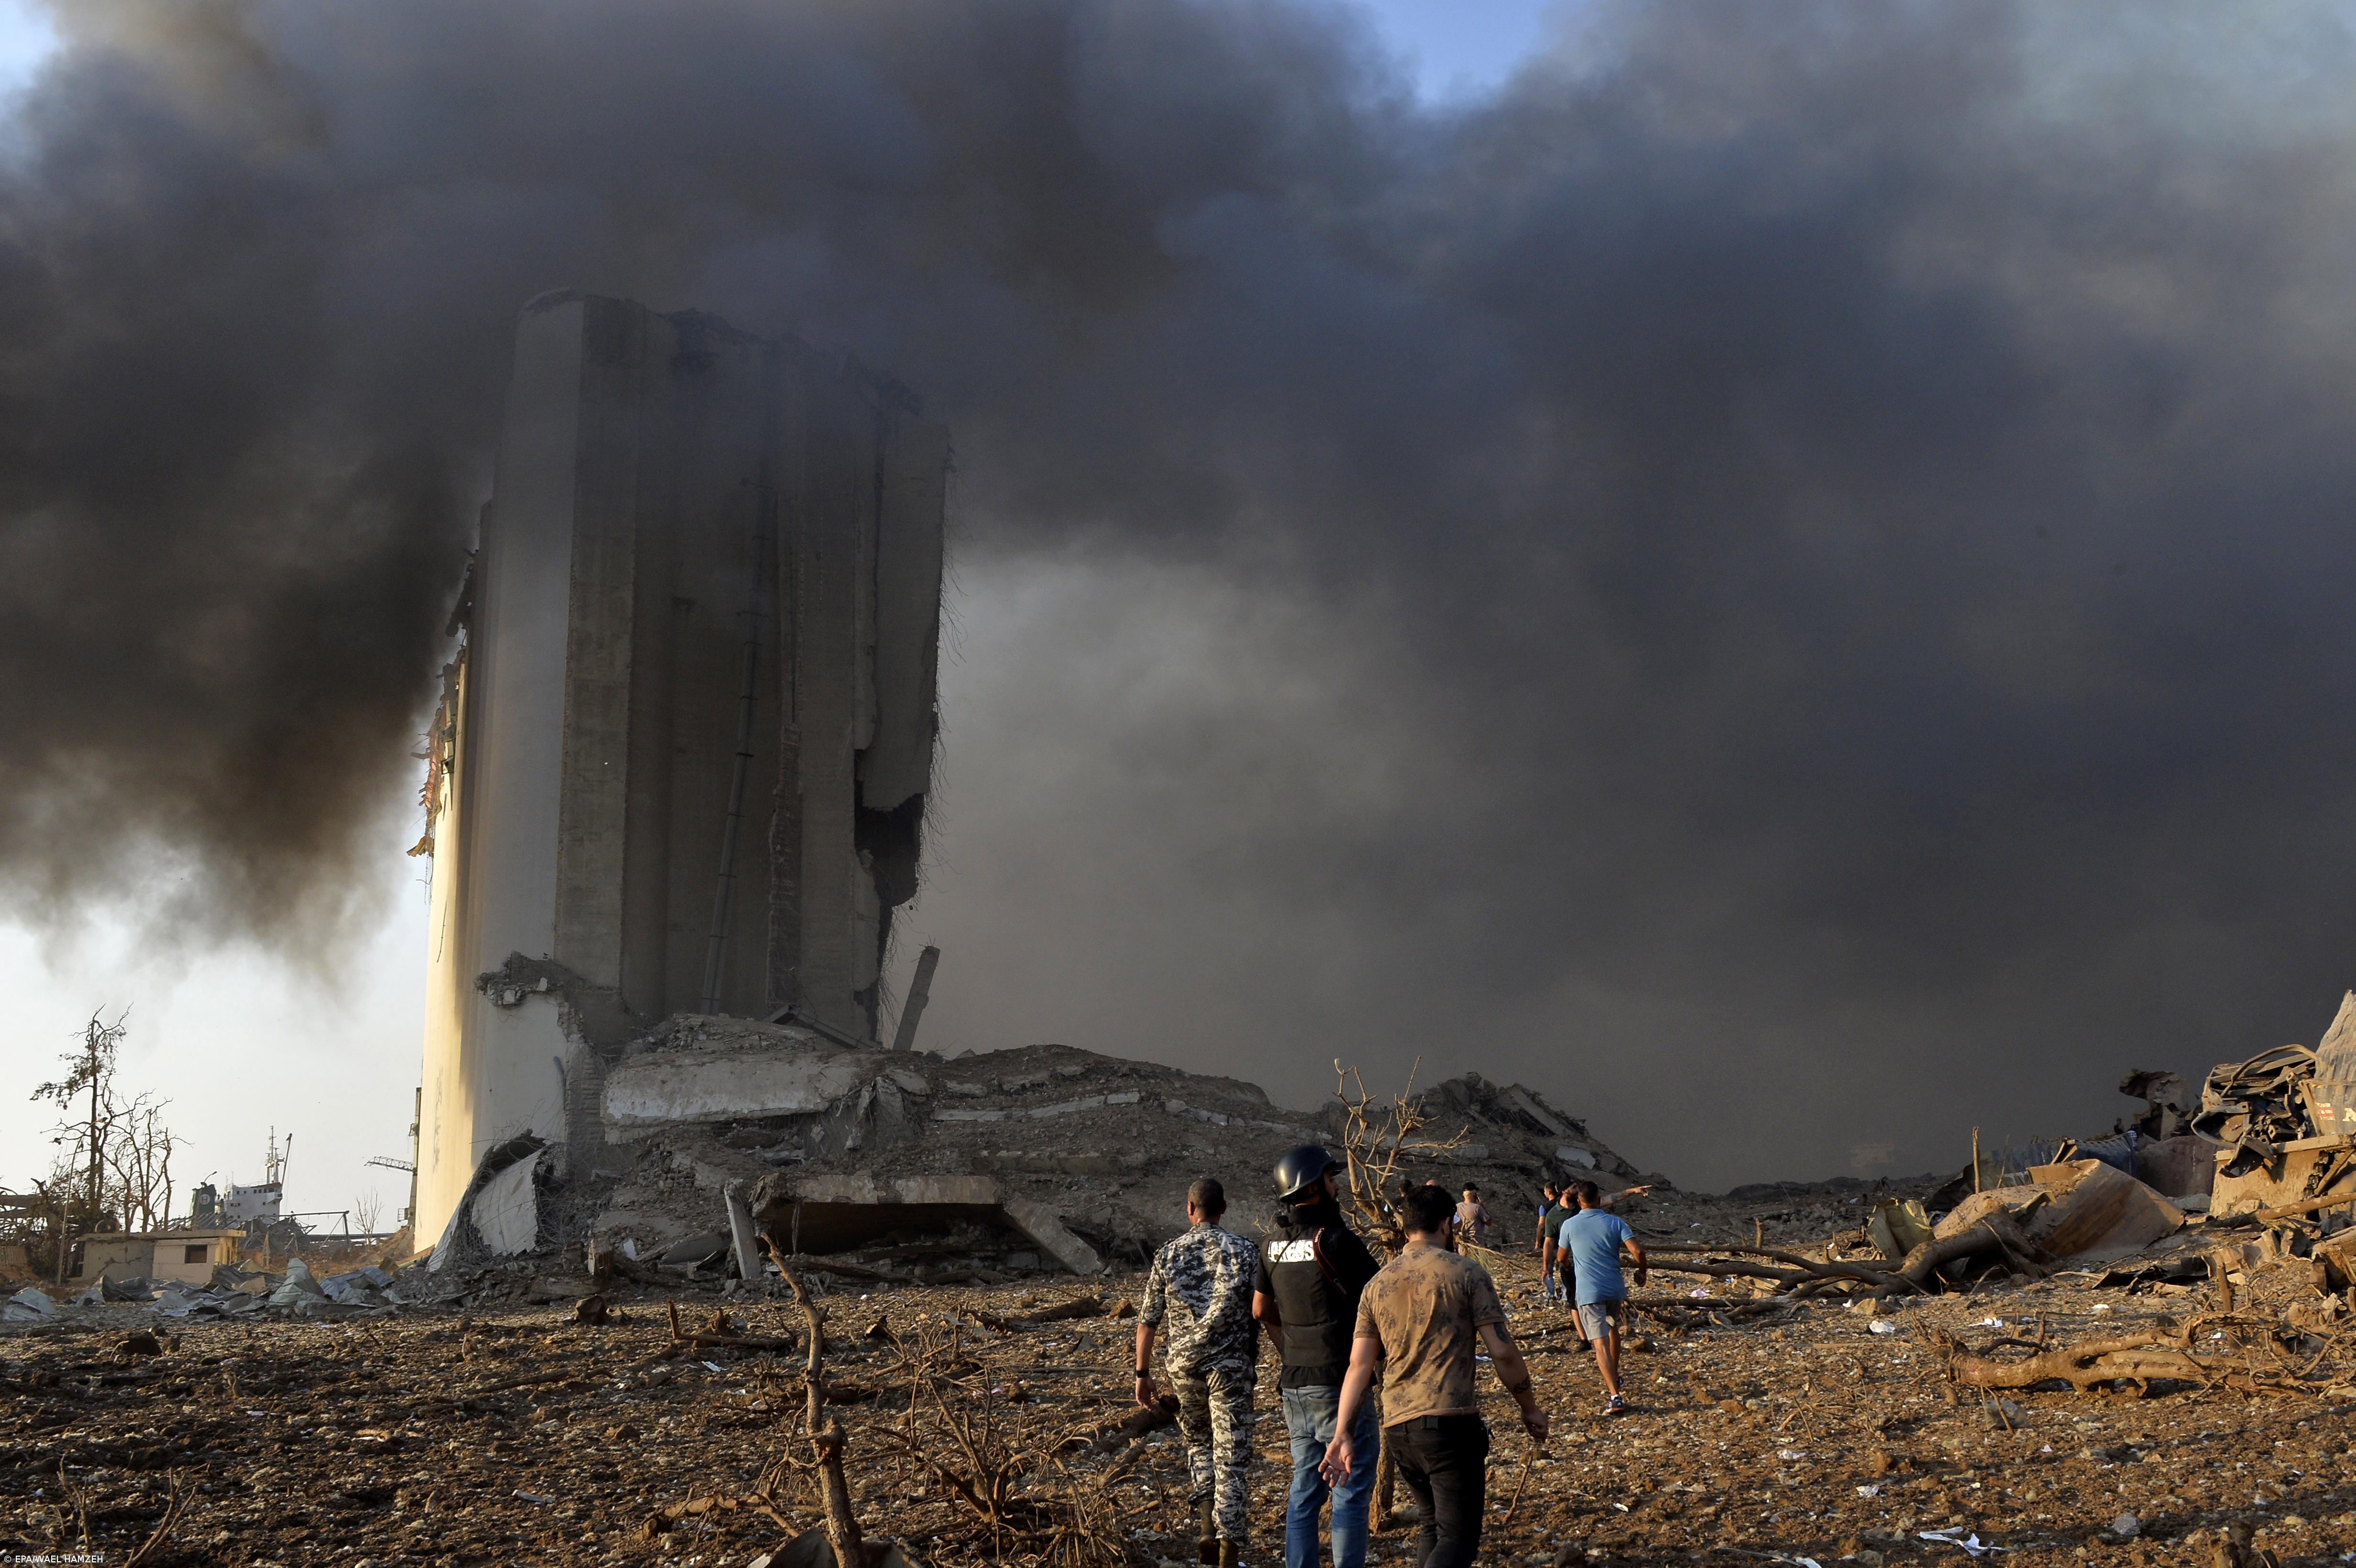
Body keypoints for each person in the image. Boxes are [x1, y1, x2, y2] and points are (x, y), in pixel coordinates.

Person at [1319, 1184, 1548, 1568]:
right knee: (1459, 1537)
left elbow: (1359, 1365)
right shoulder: (1466, 1272)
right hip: (1449, 1422)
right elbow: (1503, 1351)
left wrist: (1342, 1433)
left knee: (1432, 1526)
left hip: (1399, 1428)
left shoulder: (1376, 1285)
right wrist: (1529, 1407)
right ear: (1447, 1224)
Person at [1254, 1146, 1384, 1568]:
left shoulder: (1270, 1246)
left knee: (1305, 1489)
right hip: (1340, 1383)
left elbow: (1260, 1310)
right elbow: (1380, 1302)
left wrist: (1289, 1348)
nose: (1337, 1185)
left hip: (1294, 1387)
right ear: (1311, 1187)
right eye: (1331, 1178)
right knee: (1349, 1486)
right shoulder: (1337, 1241)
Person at [1139, 1177, 1265, 1568]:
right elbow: (1262, 1310)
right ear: (1224, 1209)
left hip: (1184, 1369)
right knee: (1232, 1458)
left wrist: (1142, 1374)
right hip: (1230, 1370)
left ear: (1190, 1209)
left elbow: (1148, 1322)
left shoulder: (1167, 1254)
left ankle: (1207, 1527)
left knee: (1199, 1445)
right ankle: (1228, 1550)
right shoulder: (1245, 1252)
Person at [1557, 1180, 1647, 1416]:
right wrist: (1642, 1271)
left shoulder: (1569, 1225)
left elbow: (1561, 1257)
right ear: (1599, 1200)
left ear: (1579, 1201)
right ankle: (1615, 1376)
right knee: (1612, 1328)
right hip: (1614, 1289)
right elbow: (1638, 1251)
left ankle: (1615, 1396)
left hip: (1589, 1291)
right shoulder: (1616, 1222)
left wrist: (1568, 1266)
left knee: (1599, 1344)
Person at [1454, 1185, 1490, 1249]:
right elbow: (1489, 1222)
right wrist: (1483, 1206)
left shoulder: (1458, 1207)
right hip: (1477, 1245)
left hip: (1463, 1245)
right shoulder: (1477, 1208)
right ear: (1475, 1195)